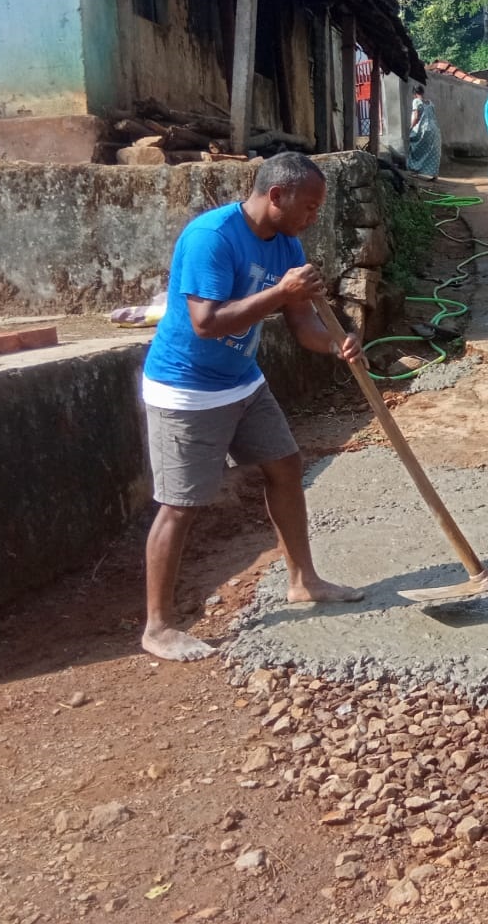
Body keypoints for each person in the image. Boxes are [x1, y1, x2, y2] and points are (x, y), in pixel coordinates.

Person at [140, 153, 366, 662]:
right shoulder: (211, 237)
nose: (313, 217)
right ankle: (158, 625)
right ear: (277, 196)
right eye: (308, 207)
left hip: (243, 380)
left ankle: (303, 580)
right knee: (180, 505)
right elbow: (207, 321)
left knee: (286, 467)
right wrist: (280, 291)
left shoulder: (286, 243)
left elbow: (303, 323)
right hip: (187, 388)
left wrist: (335, 345)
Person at [408, 86, 441, 180]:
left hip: (423, 129)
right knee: (432, 151)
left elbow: (416, 116)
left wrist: (411, 127)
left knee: (415, 149)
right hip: (434, 129)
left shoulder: (416, 101)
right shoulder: (430, 103)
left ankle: (415, 171)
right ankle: (434, 174)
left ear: (414, 94)